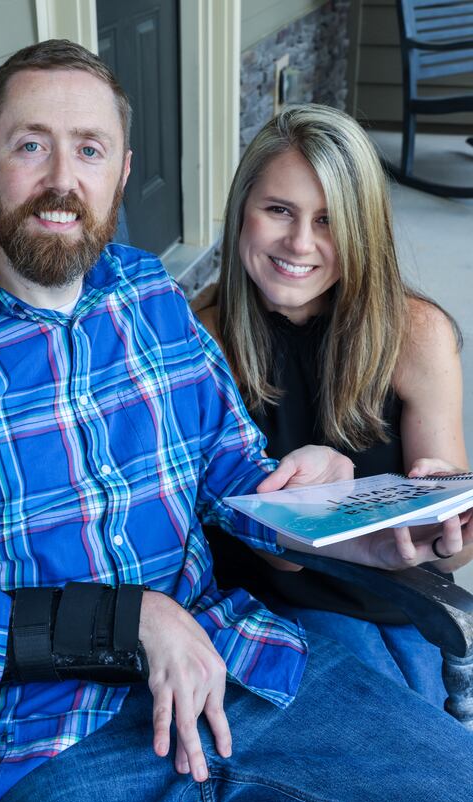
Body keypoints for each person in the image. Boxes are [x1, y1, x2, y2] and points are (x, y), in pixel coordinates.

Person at [0, 41, 472, 802]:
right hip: (49, 735)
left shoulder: (152, 295)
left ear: (122, 172)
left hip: (240, 670)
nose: (63, 181)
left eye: (90, 149)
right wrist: (123, 622)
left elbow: (231, 477)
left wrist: (331, 508)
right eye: (31, 145)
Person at [193, 103, 472, 710]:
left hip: (396, 598)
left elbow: (454, 537)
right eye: (279, 210)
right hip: (263, 608)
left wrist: (449, 526)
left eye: (329, 221)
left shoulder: (415, 334)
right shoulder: (200, 340)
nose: (300, 243)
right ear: (242, 209)